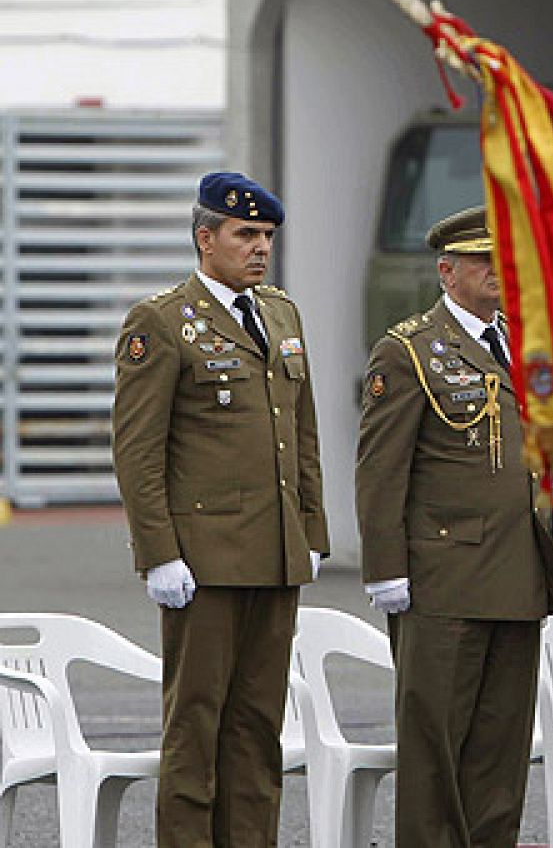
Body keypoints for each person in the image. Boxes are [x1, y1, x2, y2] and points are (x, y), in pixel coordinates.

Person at [356, 205, 553, 847]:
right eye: (483, 260)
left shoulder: (520, 341)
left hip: (516, 575)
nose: (498, 272)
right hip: (442, 582)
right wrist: (386, 571)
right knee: (436, 759)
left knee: (500, 758)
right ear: (447, 271)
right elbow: (380, 470)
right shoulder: (407, 351)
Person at [112, 171, 329, 845]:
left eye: (267, 236)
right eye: (246, 235)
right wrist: (160, 554)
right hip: (203, 561)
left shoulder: (282, 314)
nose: (260, 248)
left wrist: (312, 531)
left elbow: (303, 432)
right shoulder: (163, 321)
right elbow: (138, 451)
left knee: (259, 729)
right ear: (205, 239)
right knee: (196, 727)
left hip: (275, 553)